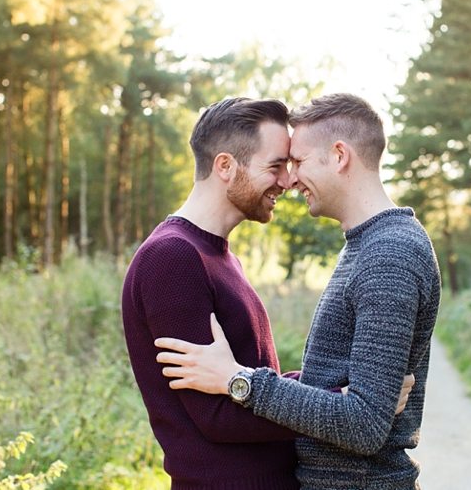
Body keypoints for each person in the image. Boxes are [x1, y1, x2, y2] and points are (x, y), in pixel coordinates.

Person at [122, 96, 414, 490]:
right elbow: (216, 414)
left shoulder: (219, 256)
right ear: (226, 166)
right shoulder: (172, 258)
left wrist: (358, 390)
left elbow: (244, 379)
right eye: (275, 166)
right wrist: (341, 401)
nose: (288, 181)